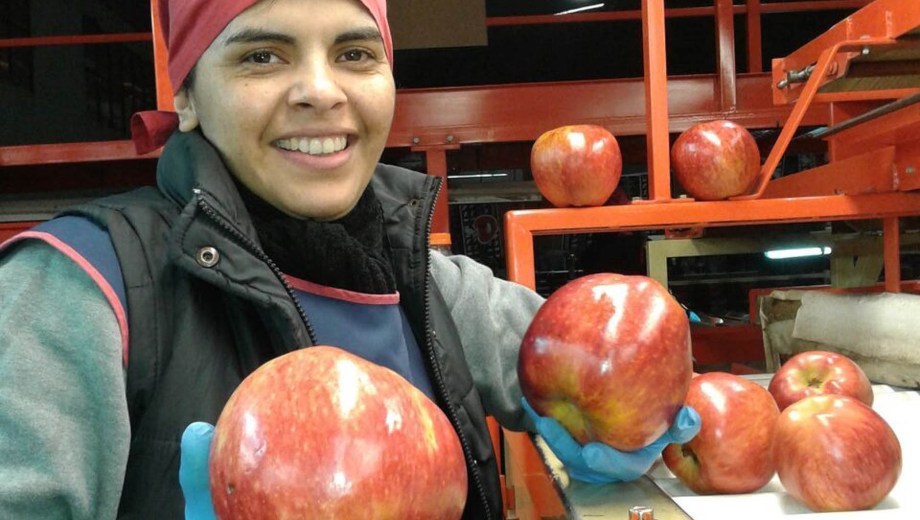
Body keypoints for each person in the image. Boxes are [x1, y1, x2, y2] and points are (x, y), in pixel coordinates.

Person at [0, 0, 699, 518]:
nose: (322, 91)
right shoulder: (80, 290)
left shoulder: (433, 289)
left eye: (355, 54)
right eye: (262, 56)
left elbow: (603, 354)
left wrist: (636, 413)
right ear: (184, 94)